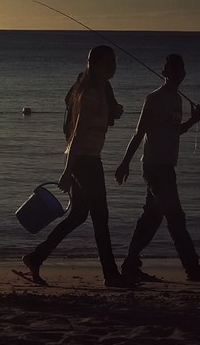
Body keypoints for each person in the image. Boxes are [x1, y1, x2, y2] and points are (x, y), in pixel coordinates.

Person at [22, 45, 135, 288]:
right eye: (108, 63)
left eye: (114, 63)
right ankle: (111, 275)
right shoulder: (90, 95)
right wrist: (67, 170)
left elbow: (98, 123)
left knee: (78, 215)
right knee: (100, 217)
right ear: (94, 65)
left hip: (89, 159)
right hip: (84, 161)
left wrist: (113, 111)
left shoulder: (102, 91)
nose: (113, 67)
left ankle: (35, 257)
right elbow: (77, 134)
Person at [116, 54, 200, 282]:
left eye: (181, 69)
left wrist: (194, 120)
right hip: (154, 167)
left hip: (167, 167)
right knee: (175, 217)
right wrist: (125, 162)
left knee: (151, 218)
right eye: (173, 69)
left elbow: (175, 131)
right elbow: (139, 132)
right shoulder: (153, 98)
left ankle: (130, 265)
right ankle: (192, 269)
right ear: (165, 73)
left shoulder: (178, 100)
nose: (178, 73)